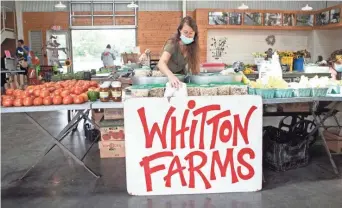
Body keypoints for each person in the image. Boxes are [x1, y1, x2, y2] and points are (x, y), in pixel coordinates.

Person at [157, 16, 200, 88]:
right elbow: (161, 63)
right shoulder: (172, 44)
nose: (188, 36)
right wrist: (170, 76)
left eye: (191, 33)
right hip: (165, 77)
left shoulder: (192, 47)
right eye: (185, 32)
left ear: (194, 34)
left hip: (179, 78)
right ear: (180, 30)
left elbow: (194, 67)